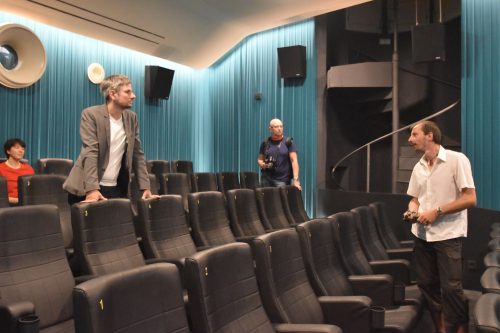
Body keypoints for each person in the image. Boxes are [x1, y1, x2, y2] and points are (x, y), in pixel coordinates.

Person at [404, 121, 476, 333]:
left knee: (452, 289)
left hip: (448, 235)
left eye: (414, 134)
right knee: (427, 286)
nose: (409, 139)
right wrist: (412, 210)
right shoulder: (418, 166)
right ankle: (441, 329)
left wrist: (437, 211)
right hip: (422, 235)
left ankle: (461, 330)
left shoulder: (457, 159)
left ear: (430, 136)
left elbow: (470, 199)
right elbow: (415, 199)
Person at [63, 74, 158, 204]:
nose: (133, 96)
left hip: (117, 188)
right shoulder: (91, 114)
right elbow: (91, 151)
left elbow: (137, 153)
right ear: (113, 94)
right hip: (86, 187)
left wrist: (145, 187)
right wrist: (92, 189)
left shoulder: (132, 118)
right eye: (127, 92)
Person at [257, 118, 301, 190]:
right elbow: (260, 159)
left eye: (281, 126)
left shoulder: (288, 142)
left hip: (282, 180)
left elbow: (294, 161)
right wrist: (262, 164)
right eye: (276, 127)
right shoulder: (265, 143)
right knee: (265, 200)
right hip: (266, 179)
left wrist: (296, 180)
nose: (280, 129)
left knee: (281, 200)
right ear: (270, 129)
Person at [0, 138, 35, 204]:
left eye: (23, 149)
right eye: (17, 148)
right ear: (8, 151)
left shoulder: (29, 169)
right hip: (6, 205)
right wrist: (18, 201)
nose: (21, 151)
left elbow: (33, 191)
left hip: (26, 205)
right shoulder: (1, 168)